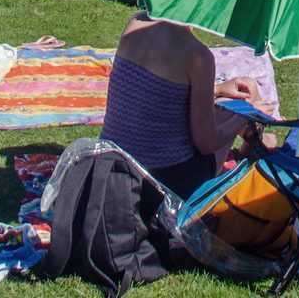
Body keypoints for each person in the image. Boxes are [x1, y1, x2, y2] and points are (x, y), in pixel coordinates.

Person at [100, 14, 263, 198]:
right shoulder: (197, 55)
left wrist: (216, 89)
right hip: (161, 182)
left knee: (233, 98)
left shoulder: (135, 23)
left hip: (109, 163)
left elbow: (158, 92)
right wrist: (246, 116)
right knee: (240, 104)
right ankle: (254, 144)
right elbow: (207, 144)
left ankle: (253, 144)